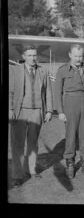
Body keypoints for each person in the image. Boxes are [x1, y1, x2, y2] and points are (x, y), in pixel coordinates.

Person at [9, 44, 53, 188]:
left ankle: (31, 170)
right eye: (29, 55)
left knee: (33, 142)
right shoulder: (15, 70)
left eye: (34, 55)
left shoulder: (43, 71)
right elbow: (9, 92)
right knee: (17, 144)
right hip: (20, 111)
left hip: (37, 111)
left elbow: (48, 92)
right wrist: (10, 109)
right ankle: (17, 175)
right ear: (23, 57)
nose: (33, 58)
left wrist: (49, 110)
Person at [54, 44, 84, 179]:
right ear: (70, 55)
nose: (78, 59)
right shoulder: (62, 70)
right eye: (76, 56)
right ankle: (70, 165)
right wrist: (60, 111)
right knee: (70, 135)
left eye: (80, 56)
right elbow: (57, 92)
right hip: (70, 103)